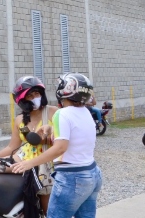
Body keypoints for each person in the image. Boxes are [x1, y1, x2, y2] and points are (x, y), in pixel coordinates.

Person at [12, 73, 102, 218]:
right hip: (92, 173)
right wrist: (51, 129)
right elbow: (75, 134)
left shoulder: (62, 114)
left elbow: (60, 148)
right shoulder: (85, 111)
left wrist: (29, 163)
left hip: (72, 176)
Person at [0, 76, 57, 215]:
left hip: (45, 163)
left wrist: (48, 136)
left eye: (37, 93)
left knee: (49, 211)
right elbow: (11, 147)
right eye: (30, 96)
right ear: (22, 100)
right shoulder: (20, 120)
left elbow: (63, 140)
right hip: (22, 159)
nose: (35, 97)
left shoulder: (52, 112)